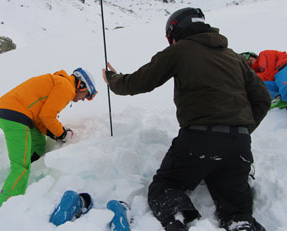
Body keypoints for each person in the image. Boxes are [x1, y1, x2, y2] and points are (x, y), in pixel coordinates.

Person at [102, 7, 270, 231]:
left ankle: (178, 218)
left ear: (175, 33)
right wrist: (240, 131)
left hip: (197, 140)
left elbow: (139, 82)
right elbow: (263, 99)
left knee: (165, 186)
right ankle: (241, 224)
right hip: (237, 146)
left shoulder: (180, 51)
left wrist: (113, 79)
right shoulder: (234, 57)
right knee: (237, 210)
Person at [0, 68, 97, 211]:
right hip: (16, 116)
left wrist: (55, 134)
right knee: (20, 167)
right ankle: (2, 209)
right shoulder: (66, 87)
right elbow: (48, 116)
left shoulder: (59, 82)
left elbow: (41, 118)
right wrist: (62, 134)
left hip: (10, 111)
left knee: (39, 144)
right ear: (81, 86)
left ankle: (30, 171)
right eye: (86, 95)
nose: (83, 99)